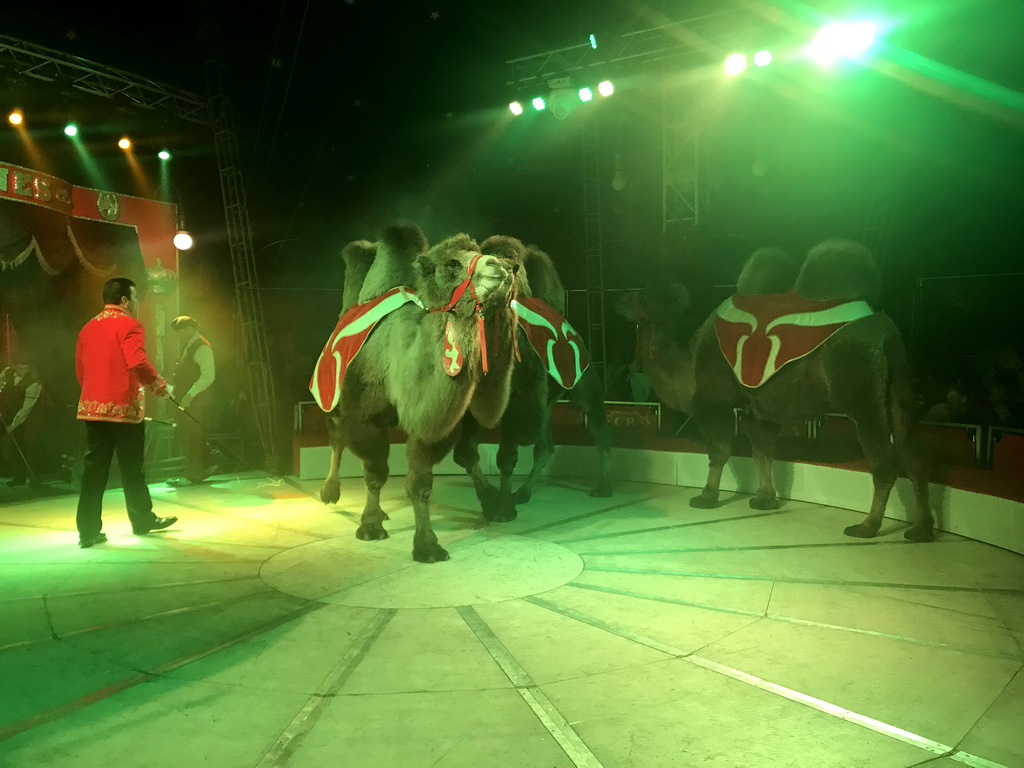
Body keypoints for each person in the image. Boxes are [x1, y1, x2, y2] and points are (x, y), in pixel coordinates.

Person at [75, 277, 178, 548]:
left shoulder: (87, 327)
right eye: (135, 297)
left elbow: (81, 371)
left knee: (93, 470)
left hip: (93, 409)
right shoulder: (130, 324)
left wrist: (96, 395)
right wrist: (159, 385)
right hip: (124, 408)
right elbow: (138, 361)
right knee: (133, 469)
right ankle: (142, 519)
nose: (136, 303)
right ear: (124, 300)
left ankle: (87, 531)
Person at [167, 315, 216, 486]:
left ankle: (194, 474)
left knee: (192, 437)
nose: (178, 336)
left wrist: (190, 394)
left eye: (180, 333)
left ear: (189, 329)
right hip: (187, 401)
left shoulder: (202, 347)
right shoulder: (189, 346)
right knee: (186, 435)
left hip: (196, 401)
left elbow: (208, 376)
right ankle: (195, 470)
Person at [0, 361, 43, 486]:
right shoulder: (8, 373)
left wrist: (13, 425)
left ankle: (28, 477)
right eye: (21, 367)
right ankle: (14, 475)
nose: (25, 370)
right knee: (11, 447)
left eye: (27, 367)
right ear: (14, 366)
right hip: (7, 415)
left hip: (27, 421)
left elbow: (26, 408)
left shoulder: (33, 383)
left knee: (23, 447)